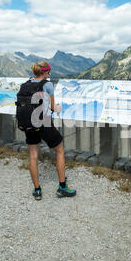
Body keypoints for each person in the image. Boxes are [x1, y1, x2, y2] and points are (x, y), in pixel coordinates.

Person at [24, 61, 76, 200]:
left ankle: (37, 190)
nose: (49, 75)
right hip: (44, 123)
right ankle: (63, 187)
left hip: (28, 124)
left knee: (33, 155)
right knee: (59, 150)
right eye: (49, 73)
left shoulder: (26, 84)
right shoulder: (47, 85)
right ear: (46, 72)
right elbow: (53, 107)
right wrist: (58, 107)